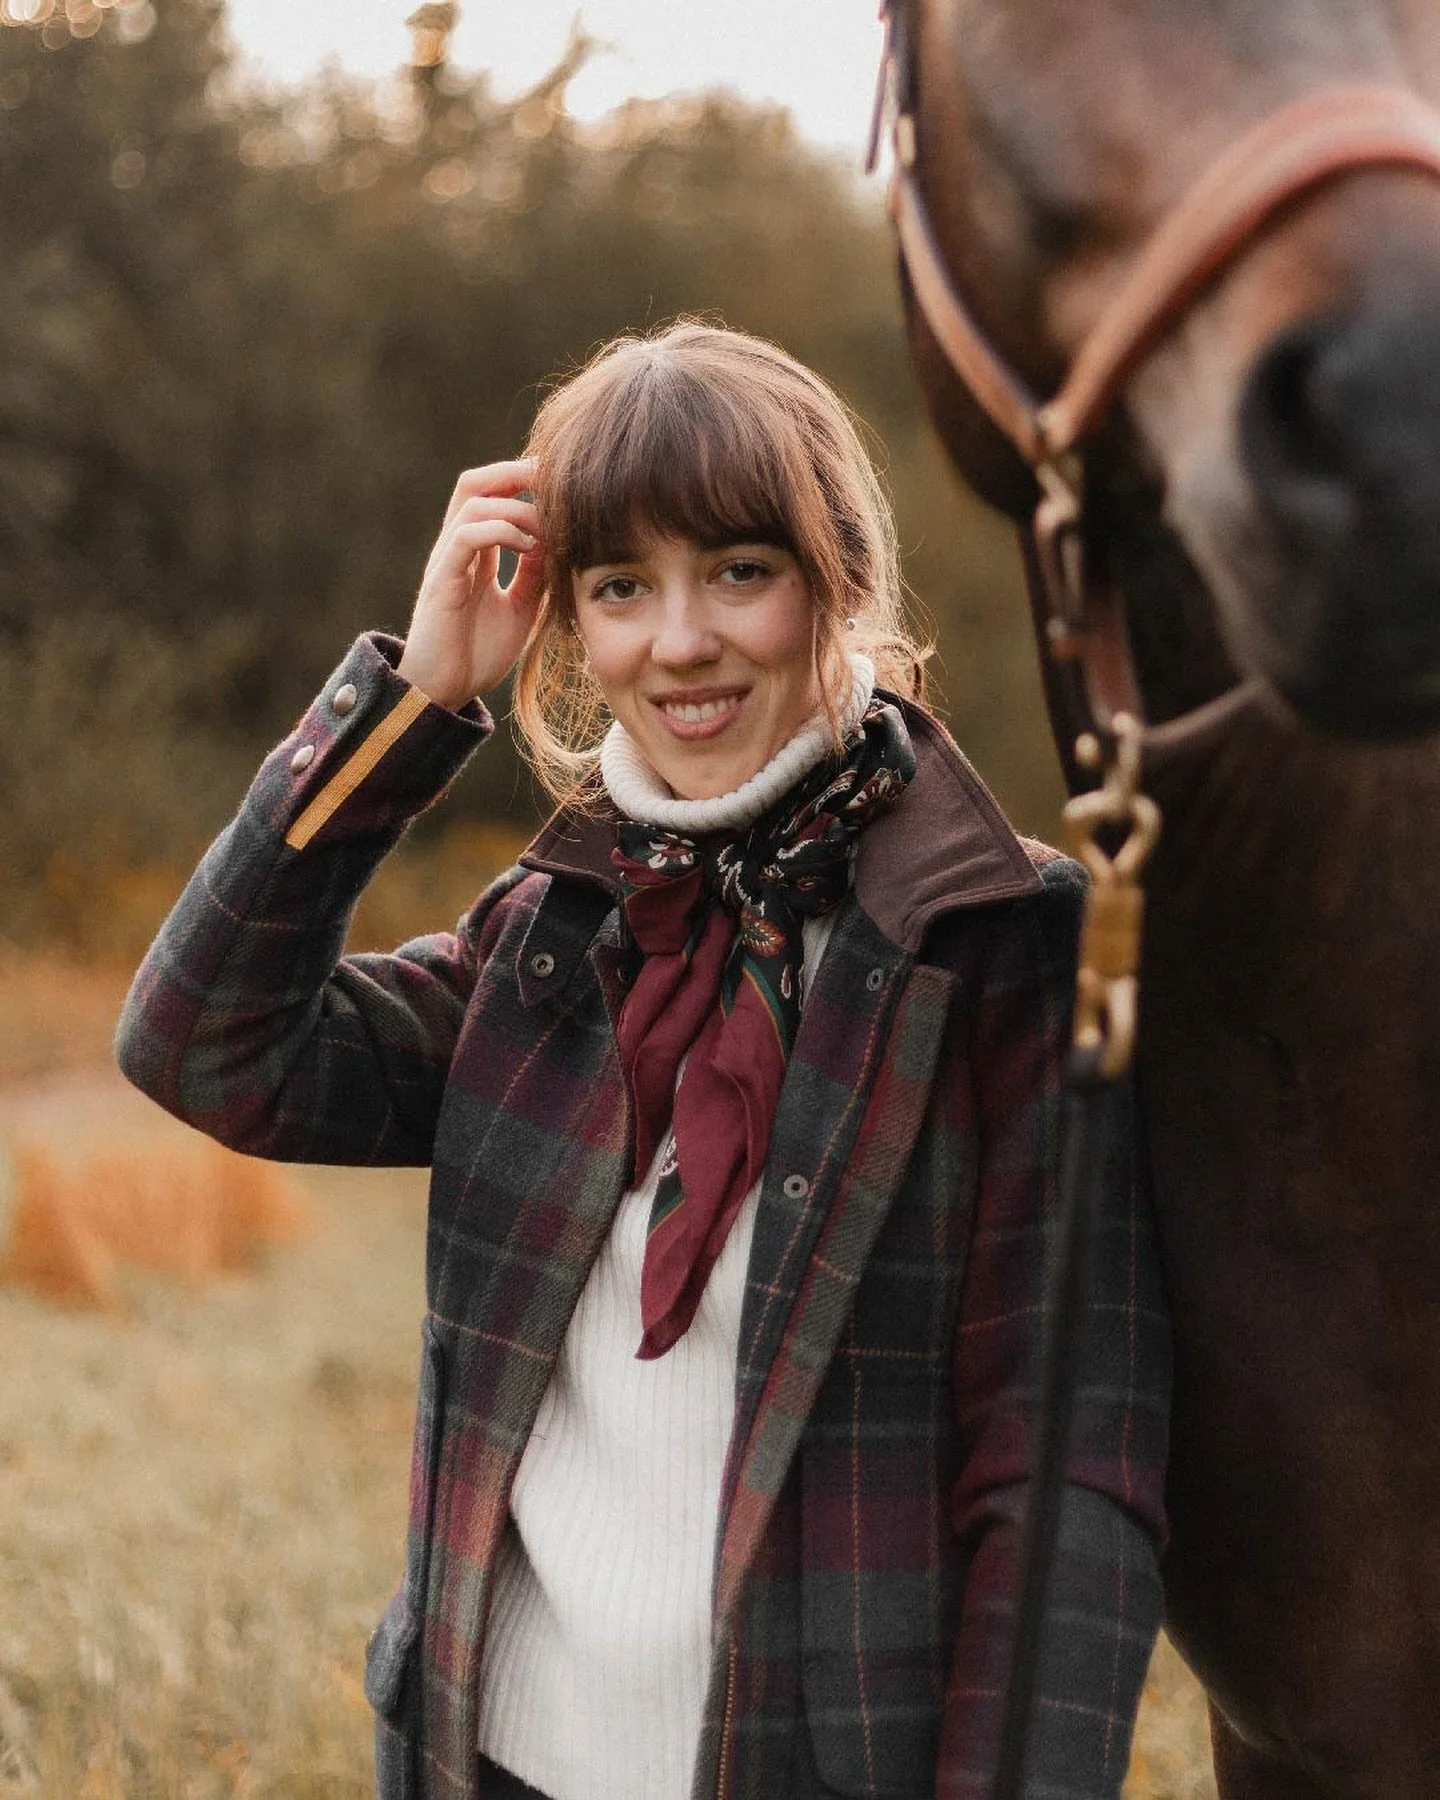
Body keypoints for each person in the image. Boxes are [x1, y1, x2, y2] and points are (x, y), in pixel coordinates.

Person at [116, 321, 1170, 1800]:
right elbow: (204, 1044)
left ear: (840, 577)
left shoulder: (1004, 947)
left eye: (740, 570)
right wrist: (410, 709)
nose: (681, 641)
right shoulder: (551, 933)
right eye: (622, 588)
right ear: (572, 627)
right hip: (494, 1760)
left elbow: (1064, 1473)